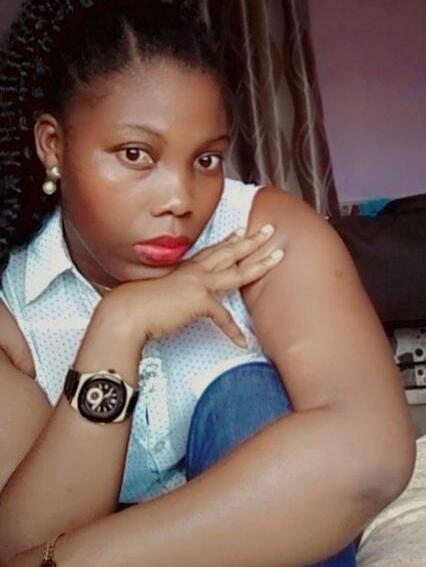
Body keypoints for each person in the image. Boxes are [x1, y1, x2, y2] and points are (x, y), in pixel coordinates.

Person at [0, 1, 415, 565]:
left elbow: (371, 454)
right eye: (136, 154)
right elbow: (21, 544)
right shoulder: (14, 309)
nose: (179, 200)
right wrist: (119, 327)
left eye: (206, 160)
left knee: (244, 395)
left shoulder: (261, 236)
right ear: (53, 144)